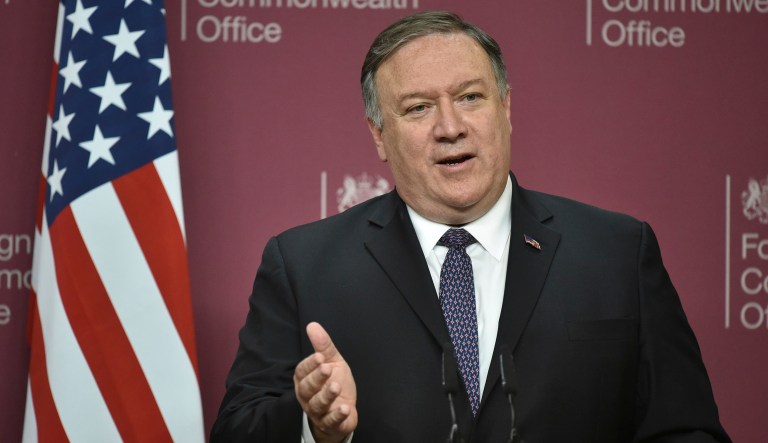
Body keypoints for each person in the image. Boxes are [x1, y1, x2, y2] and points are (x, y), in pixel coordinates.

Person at [210, 11, 730, 443]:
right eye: (418, 108)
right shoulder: (304, 265)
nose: (450, 126)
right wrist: (312, 424)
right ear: (379, 136)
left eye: (470, 97)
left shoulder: (615, 253)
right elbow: (237, 431)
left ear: (506, 108)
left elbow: (686, 431)